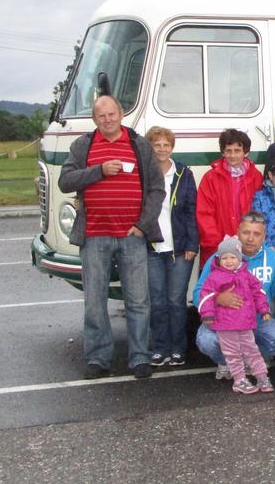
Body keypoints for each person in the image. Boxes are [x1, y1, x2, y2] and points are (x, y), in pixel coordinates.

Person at [59, 95, 164, 380]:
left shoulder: (138, 144)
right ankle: (97, 358)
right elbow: (65, 181)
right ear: (95, 119)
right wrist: (99, 171)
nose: (107, 119)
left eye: (112, 114)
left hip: (132, 236)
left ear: (121, 114)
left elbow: (156, 189)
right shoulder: (83, 145)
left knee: (138, 300)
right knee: (94, 301)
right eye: (101, 115)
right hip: (94, 236)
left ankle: (140, 357)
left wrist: (143, 225)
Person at [193, 212, 275, 380]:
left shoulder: (271, 257)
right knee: (205, 340)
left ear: (264, 236)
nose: (250, 238)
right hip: (223, 321)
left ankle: (247, 357)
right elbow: (198, 294)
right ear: (238, 232)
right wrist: (217, 298)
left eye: (256, 234)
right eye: (246, 232)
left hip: (257, 322)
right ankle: (227, 361)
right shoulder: (221, 257)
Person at [144, 126, 198, 368]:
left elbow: (190, 211)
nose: (162, 149)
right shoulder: (144, 174)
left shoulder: (183, 173)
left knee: (176, 301)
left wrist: (192, 243)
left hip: (180, 248)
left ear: (172, 147)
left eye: (166, 145)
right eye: (157, 145)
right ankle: (159, 347)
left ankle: (178, 348)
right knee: (157, 301)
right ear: (151, 148)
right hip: (152, 247)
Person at [198, 236, 274, 394]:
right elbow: (206, 297)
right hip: (225, 324)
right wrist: (208, 314)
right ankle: (239, 380)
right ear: (219, 259)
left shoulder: (247, 276)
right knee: (232, 353)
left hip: (245, 322)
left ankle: (262, 377)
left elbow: (259, 293)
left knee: (252, 350)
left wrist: (264, 309)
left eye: (233, 257)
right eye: (224, 257)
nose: (229, 261)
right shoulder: (214, 277)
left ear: (240, 258)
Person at [196, 128, 263, 264]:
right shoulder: (210, 178)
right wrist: (218, 243)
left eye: (237, 151)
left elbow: (261, 211)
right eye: (228, 151)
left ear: (246, 152)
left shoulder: (256, 177)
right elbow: (204, 213)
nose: (233, 155)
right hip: (218, 247)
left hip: (248, 246)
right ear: (223, 152)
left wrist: (252, 239)